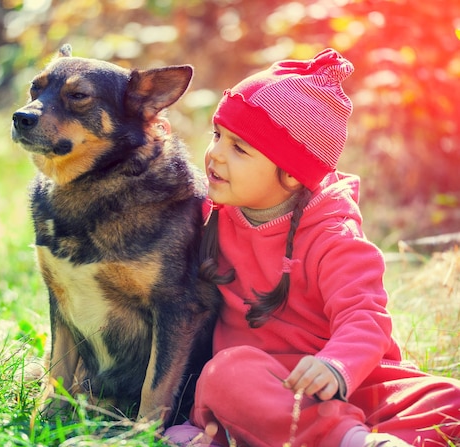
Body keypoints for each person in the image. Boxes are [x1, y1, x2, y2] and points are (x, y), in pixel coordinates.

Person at [164, 49, 460, 447]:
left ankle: (301, 435)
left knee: (450, 400)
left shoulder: (333, 235)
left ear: (290, 174)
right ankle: (346, 439)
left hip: (344, 381)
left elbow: (365, 316)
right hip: (259, 384)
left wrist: (337, 366)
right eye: (218, 134)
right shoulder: (207, 214)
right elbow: (152, 216)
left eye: (239, 148)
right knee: (226, 374)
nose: (215, 154)